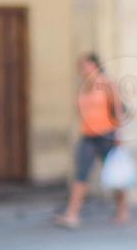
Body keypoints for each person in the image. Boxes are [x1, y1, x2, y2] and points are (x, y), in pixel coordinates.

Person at [54, 53, 129, 228]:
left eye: (86, 65)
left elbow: (118, 110)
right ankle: (72, 215)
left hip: (107, 134)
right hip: (88, 135)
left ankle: (122, 208)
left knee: (114, 174)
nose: (82, 70)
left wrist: (119, 134)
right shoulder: (83, 87)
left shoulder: (107, 84)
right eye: (80, 67)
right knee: (81, 173)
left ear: (95, 65)